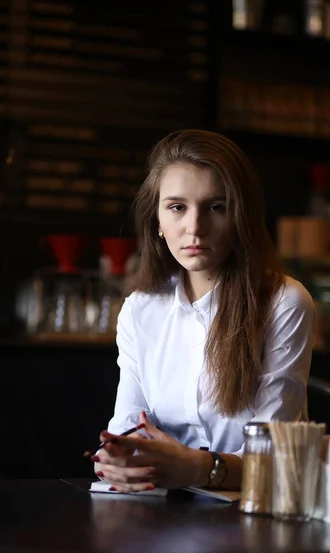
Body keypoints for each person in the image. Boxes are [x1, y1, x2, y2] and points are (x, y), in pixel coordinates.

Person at [92, 128, 317, 494]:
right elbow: (125, 428)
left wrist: (197, 468)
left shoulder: (284, 302)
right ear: (158, 222)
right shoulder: (140, 309)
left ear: (240, 217)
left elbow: (271, 456)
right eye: (177, 207)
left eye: (216, 206)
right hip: (157, 512)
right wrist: (116, 459)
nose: (194, 227)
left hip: (254, 516)